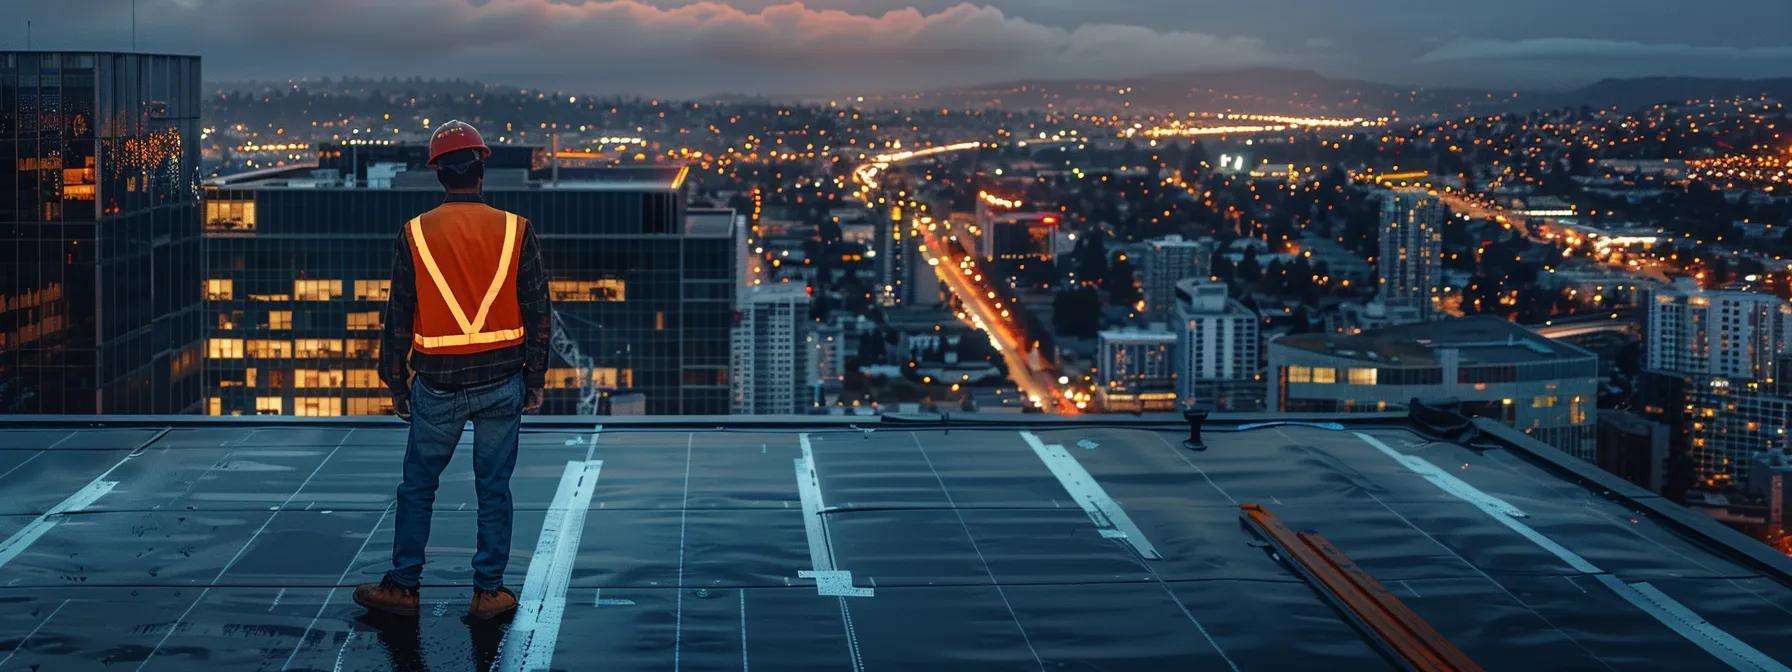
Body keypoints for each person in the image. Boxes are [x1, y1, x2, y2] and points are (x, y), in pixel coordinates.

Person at [353, 120, 550, 621]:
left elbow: (399, 312)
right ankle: (488, 592)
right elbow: (537, 311)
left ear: (439, 173)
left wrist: (395, 381)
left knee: (418, 487)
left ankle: (404, 586)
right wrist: (535, 380)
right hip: (502, 381)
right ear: (482, 169)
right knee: (494, 489)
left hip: (437, 384)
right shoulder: (516, 230)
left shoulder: (416, 233)